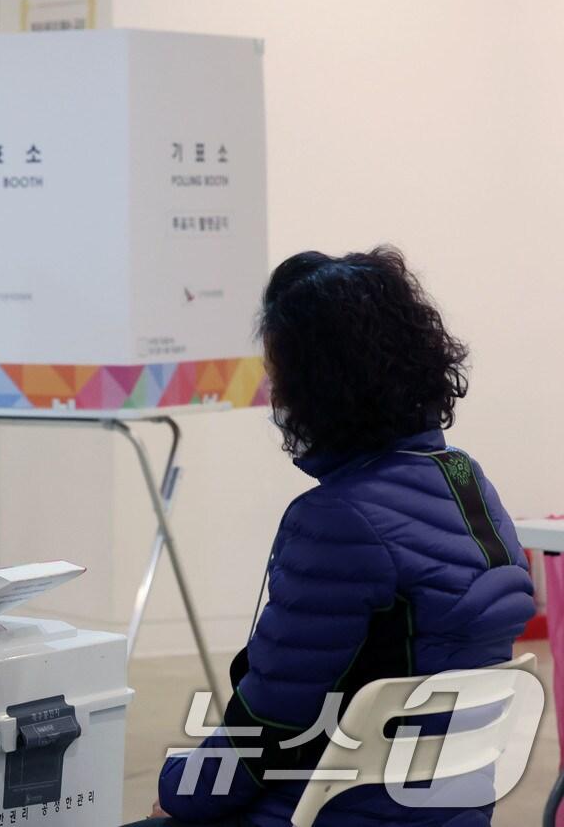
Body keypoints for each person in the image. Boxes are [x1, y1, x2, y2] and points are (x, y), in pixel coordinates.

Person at [129, 247, 535, 827]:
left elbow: (269, 727)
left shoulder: (337, 521)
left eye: (279, 374)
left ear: (317, 385)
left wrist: (178, 795)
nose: (275, 394)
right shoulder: (469, 483)